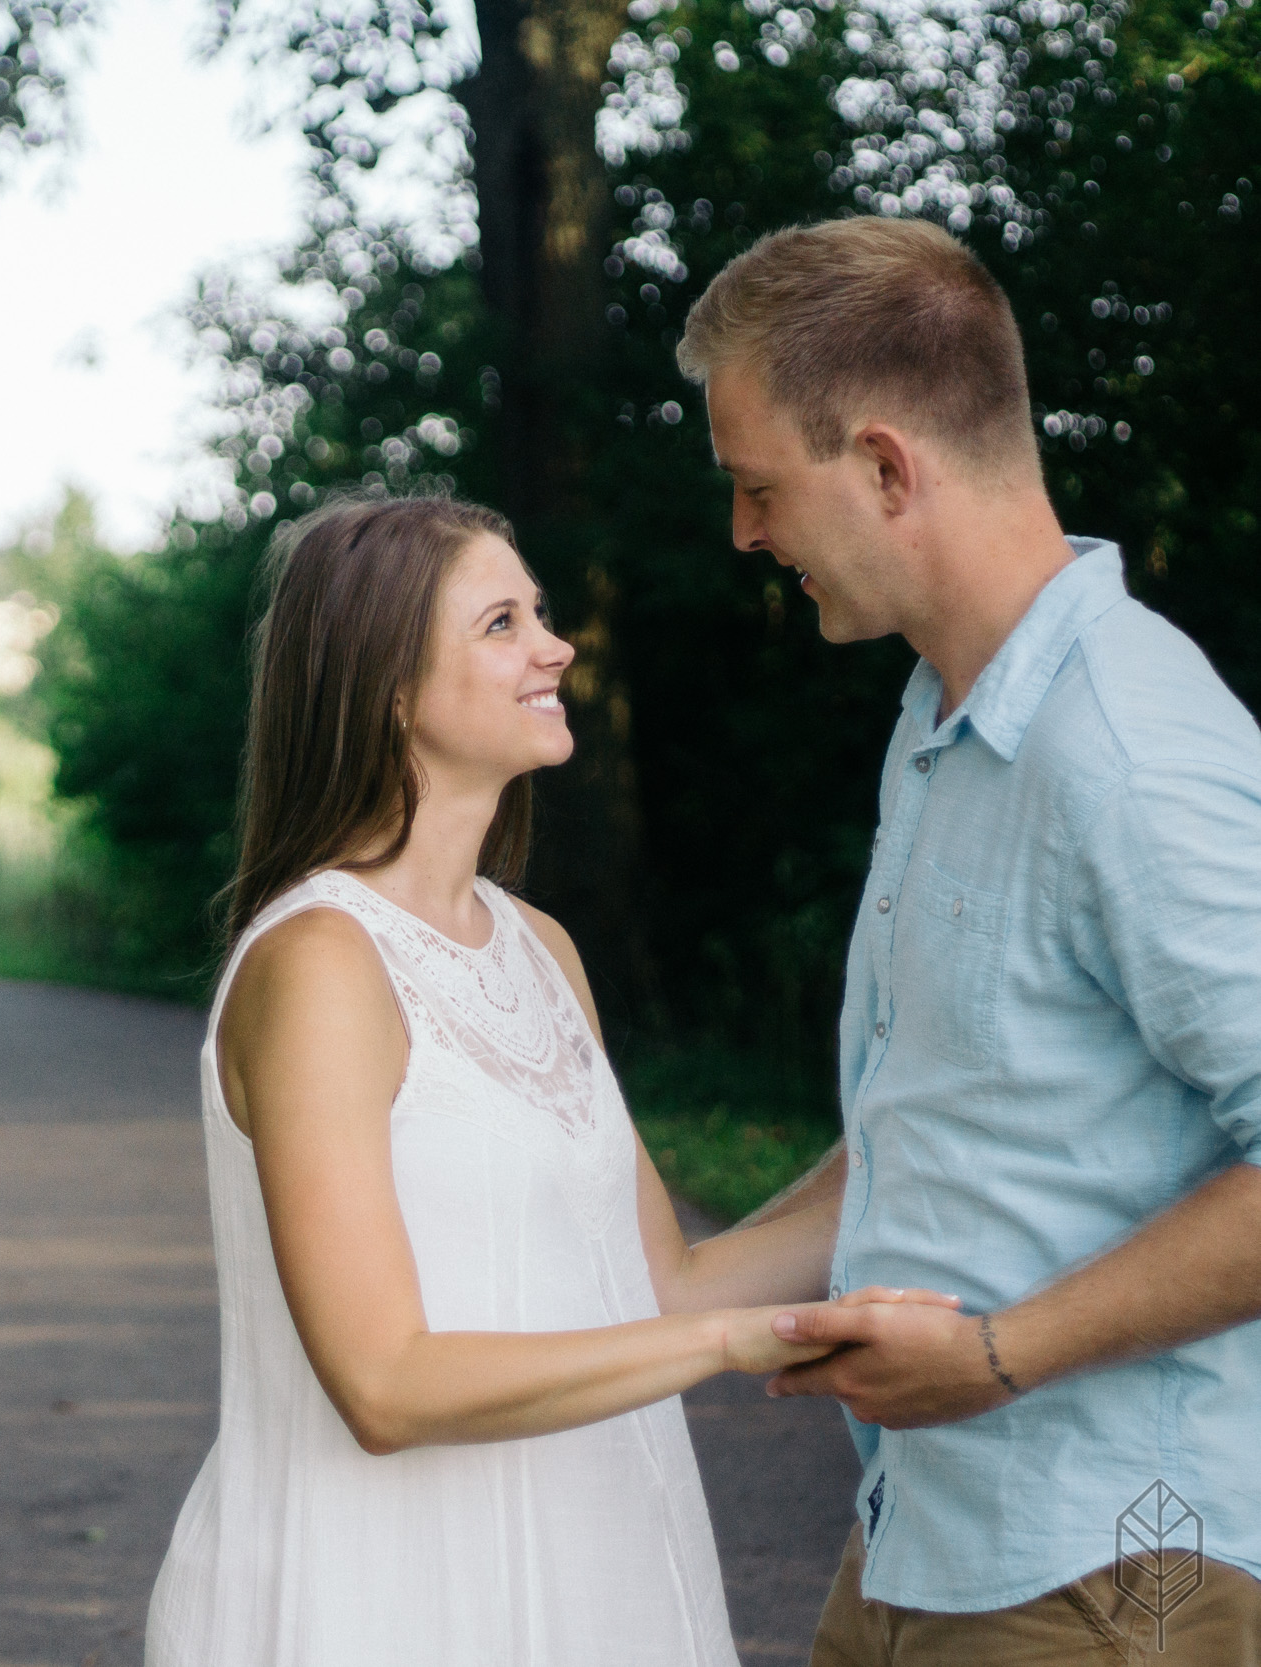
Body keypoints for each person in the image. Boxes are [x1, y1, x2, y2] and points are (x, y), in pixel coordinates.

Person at [143, 495, 951, 1666]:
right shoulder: (319, 961)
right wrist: (742, 1342)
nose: (554, 644)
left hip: (591, 1569)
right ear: (390, 691)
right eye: (500, 621)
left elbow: (655, 1285)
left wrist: (914, 1133)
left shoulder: (538, 947)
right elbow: (383, 1381)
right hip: (383, 1598)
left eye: (542, 612)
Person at [679, 215, 1261, 1663]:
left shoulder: (1128, 746)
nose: (745, 533)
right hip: (922, 1532)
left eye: (757, 486)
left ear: (885, 465)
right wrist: (673, 1298)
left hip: (1113, 1565)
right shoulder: (945, 719)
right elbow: (932, 1121)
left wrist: (1003, 1355)